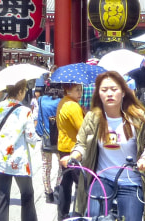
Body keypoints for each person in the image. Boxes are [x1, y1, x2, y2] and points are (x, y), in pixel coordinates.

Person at [67, 71, 145, 221]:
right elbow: (82, 144)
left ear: (123, 92)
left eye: (114, 89)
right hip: (102, 178)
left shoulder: (138, 118)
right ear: (98, 93)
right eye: (104, 90)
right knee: (94, 216)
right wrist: (74, 155)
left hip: (131, 181)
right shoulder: (93, 117)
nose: (109, 93)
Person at [0, 79, 39, 221]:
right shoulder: (25, 111)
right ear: (19, 92)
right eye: (24, 90)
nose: (25, 93)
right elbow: (31, 138)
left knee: (1, 195)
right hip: (19, 160)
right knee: (27, 194)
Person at [56, 83, 85, 219]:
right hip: (73, 148)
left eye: (80, 90)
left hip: (63, 146)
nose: (80, 93)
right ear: (67, 90)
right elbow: (82, 128)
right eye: (76, 90)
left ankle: (63, 213)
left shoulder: (63, 102)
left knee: (66, 182)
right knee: (81, 184)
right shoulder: (73, 106)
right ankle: (78, 214)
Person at [36, 84, 61, 204]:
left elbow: (39, 118)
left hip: (46, 137)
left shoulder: (41, 100)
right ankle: (58, 187)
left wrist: (41, 134)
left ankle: (48, 192)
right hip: (60, 138)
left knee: (46, 166)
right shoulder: (62, 101)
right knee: (62, 165)